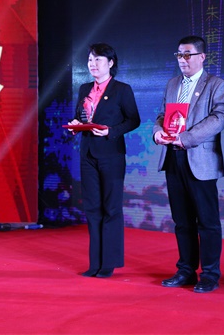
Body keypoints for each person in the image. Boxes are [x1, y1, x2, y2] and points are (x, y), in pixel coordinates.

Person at [153, 35, 224, 293]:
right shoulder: (172, 84)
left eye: (187, 54)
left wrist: (185, 138)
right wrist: (157, 132)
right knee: (182, 220)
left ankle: (209, 274)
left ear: (202, 56)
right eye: (179, 55)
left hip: (200, 158)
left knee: (207, 221)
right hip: (173, 157)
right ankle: (185, 269)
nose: (182, 60)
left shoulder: (216, 84)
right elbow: (162, 115)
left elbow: (219, 118)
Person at [67, 43, 141, 278]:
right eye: (90, 59)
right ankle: (95, 263)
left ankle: (108, 263)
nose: (93, 64)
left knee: (111, 207)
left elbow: (133, 120)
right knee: (92, 207)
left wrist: (111, 131)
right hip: (87, 153)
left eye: (98, 59)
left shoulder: (122, 89)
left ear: (110, 63)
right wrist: (76, 125)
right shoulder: (84, 88)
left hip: (111, 155)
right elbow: (81, 116)